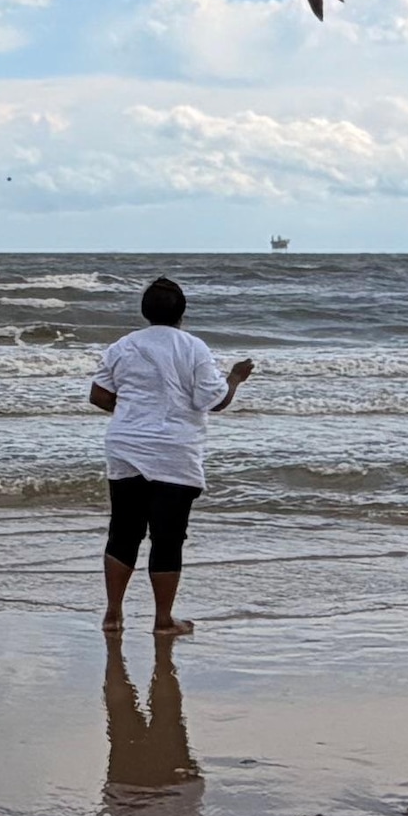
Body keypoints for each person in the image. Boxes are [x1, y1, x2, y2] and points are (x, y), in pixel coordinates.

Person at [88, 272, 255, 638]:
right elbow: (213, 401)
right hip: (174, 454)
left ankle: (113, 614)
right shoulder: (193, 347)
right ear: (183, 313)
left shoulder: (123, 346)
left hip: (126, 447)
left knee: (123, 532)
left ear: (144, 312)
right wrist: (235, 378)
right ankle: (163, 620)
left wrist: (134, 412)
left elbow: (99, 396)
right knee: (167, 538)